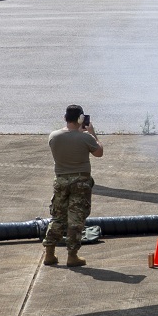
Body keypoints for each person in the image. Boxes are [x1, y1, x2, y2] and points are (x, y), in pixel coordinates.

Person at [44, 104, 103, 267]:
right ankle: (72, 255)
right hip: (80, 182)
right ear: (80, 119)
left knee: (57, 217)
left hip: (61, 180)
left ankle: (49, 253)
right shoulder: (85, 138)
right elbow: (99, 152)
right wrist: (92, 133)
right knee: (75, 219)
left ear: (65, 118)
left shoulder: (54, 136)